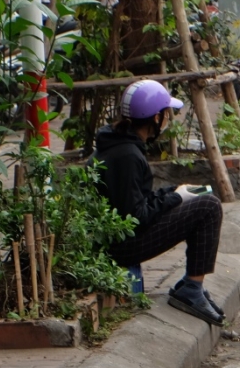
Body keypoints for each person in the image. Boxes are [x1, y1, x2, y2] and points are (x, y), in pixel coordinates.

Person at [93, 80, 226, 325]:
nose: (168, 118)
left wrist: (174, 192)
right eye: (167, 114)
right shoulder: (128, 155)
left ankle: (191, 285)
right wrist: (176, 198)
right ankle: (192, 289)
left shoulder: (117, 144)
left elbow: (132, 201)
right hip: (122, 247)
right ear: (156, 118)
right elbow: (136, 217)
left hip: (118, 238)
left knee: (201, 196)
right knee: (209, 206)